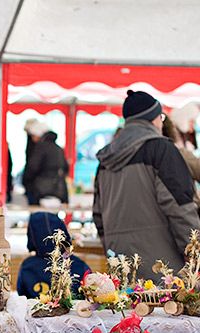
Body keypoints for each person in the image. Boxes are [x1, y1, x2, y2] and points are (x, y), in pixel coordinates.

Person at [94, 90, 200, 280]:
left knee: (127, 310)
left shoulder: (105, 159)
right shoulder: (161, 149)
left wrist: (112, 251)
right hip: (164, 268)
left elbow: (98, 216)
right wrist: (195, 255)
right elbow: (180, 208)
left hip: (121, 264)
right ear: (153, 119)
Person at [17, 212, 91, 299]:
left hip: (36, 312)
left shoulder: (27, 266)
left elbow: (21, 297)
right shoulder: (80, 266)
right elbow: (91, 296)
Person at [22, 122, 69, 205]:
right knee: (52, 216)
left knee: (38, 215)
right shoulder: (58, 148)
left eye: (33, 136)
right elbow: (66, 168)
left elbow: (32, 168)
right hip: (58, 190)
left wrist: (26, 182)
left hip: (40, 191)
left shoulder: (40, 147)